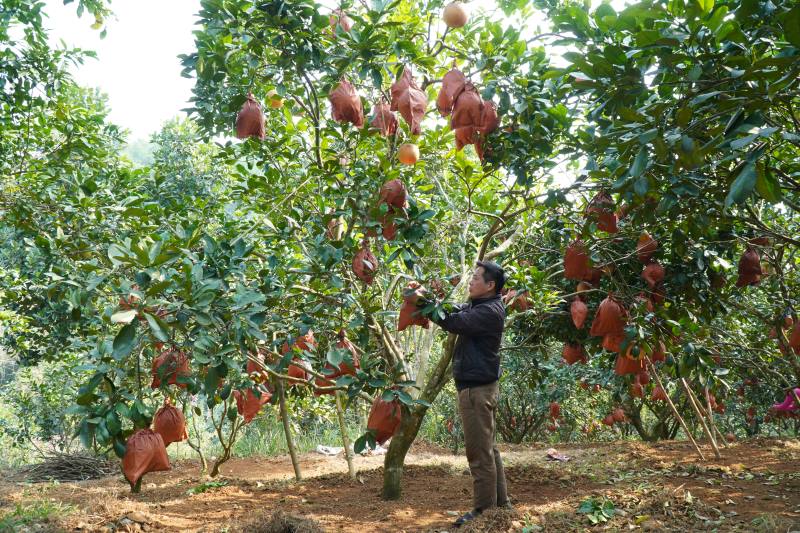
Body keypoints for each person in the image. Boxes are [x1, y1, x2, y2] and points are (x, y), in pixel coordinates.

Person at [432, 260, 509, 527]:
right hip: (479, 386)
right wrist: (431, 299)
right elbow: (457, 310)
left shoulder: (489, 312)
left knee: (478, 452)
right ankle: (501, 505)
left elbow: (455, 322)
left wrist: (427, 308)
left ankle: (483, 513)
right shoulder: (481, 306)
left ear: (490, 285)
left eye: (476, 278)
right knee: (489, 449)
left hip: (476, 390)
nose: (471, 281)